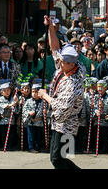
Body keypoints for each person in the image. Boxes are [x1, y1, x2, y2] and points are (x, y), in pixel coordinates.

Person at [38, 16, 85, 169]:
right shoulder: (68, 65)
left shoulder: (74, 83)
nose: (60, 62)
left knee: (58, 159)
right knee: (62, 159)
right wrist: (51, 27)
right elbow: (54, 48)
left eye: (63, 61)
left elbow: (62, 106)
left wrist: (45, 96)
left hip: (67, 123)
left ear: (72, 63)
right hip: (59, 122)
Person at [0, 82, 19, 150]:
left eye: (8, 90)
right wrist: (11, 104)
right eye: (5, 90)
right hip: (3, 120)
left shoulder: (12, 98)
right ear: (1, 92)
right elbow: (4, 106)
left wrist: (16, 102)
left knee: (11, 135)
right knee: (4, 135)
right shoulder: (0, 99)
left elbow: (16, 110)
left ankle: (9, 146)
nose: (7, 92)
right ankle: (4, 146)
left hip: (11, 120)